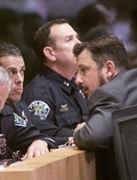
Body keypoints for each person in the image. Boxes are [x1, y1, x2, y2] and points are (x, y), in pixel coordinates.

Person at [72, 35, 137, 180]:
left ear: (108, 69)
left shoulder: (109, 93)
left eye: (84, 70)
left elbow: (92, 137)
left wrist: (81, 131)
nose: (78, 80)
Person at [22, 18, 88, 146]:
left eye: (77, 38)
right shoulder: (39, 92)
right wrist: (78, 133)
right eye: (69, 40)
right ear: (50, 53)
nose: (79, 43)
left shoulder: (76, 84)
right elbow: (41, 133)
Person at [0, 42, 55, 148]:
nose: (20, 79)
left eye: (22, 71)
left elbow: (45, 131)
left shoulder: (20, 107)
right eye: (11, 72)